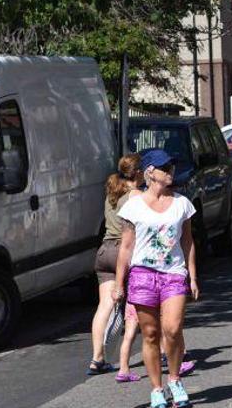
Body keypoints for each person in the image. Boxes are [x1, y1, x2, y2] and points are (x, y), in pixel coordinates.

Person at [112, 149, 200, 408]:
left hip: (174, 273)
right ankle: (157, 388)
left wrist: (192, 276)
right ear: (150, 172)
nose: (170, 171)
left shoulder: (182, 203)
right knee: (150, 334)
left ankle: (174, 379)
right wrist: (118, 284)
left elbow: (188, 242)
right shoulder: (133, 205)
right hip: (142, 275)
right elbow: (126, 247)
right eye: (164, 167)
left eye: (171, 167)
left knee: (172, 329)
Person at [87, 154, 143, 378]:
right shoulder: (136, 195)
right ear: (138, 173)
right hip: (123, 252)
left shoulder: (112, 192)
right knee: (138, 306)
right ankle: (135, 357)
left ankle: (97, 358)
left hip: (104, 250)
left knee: (104, 307)